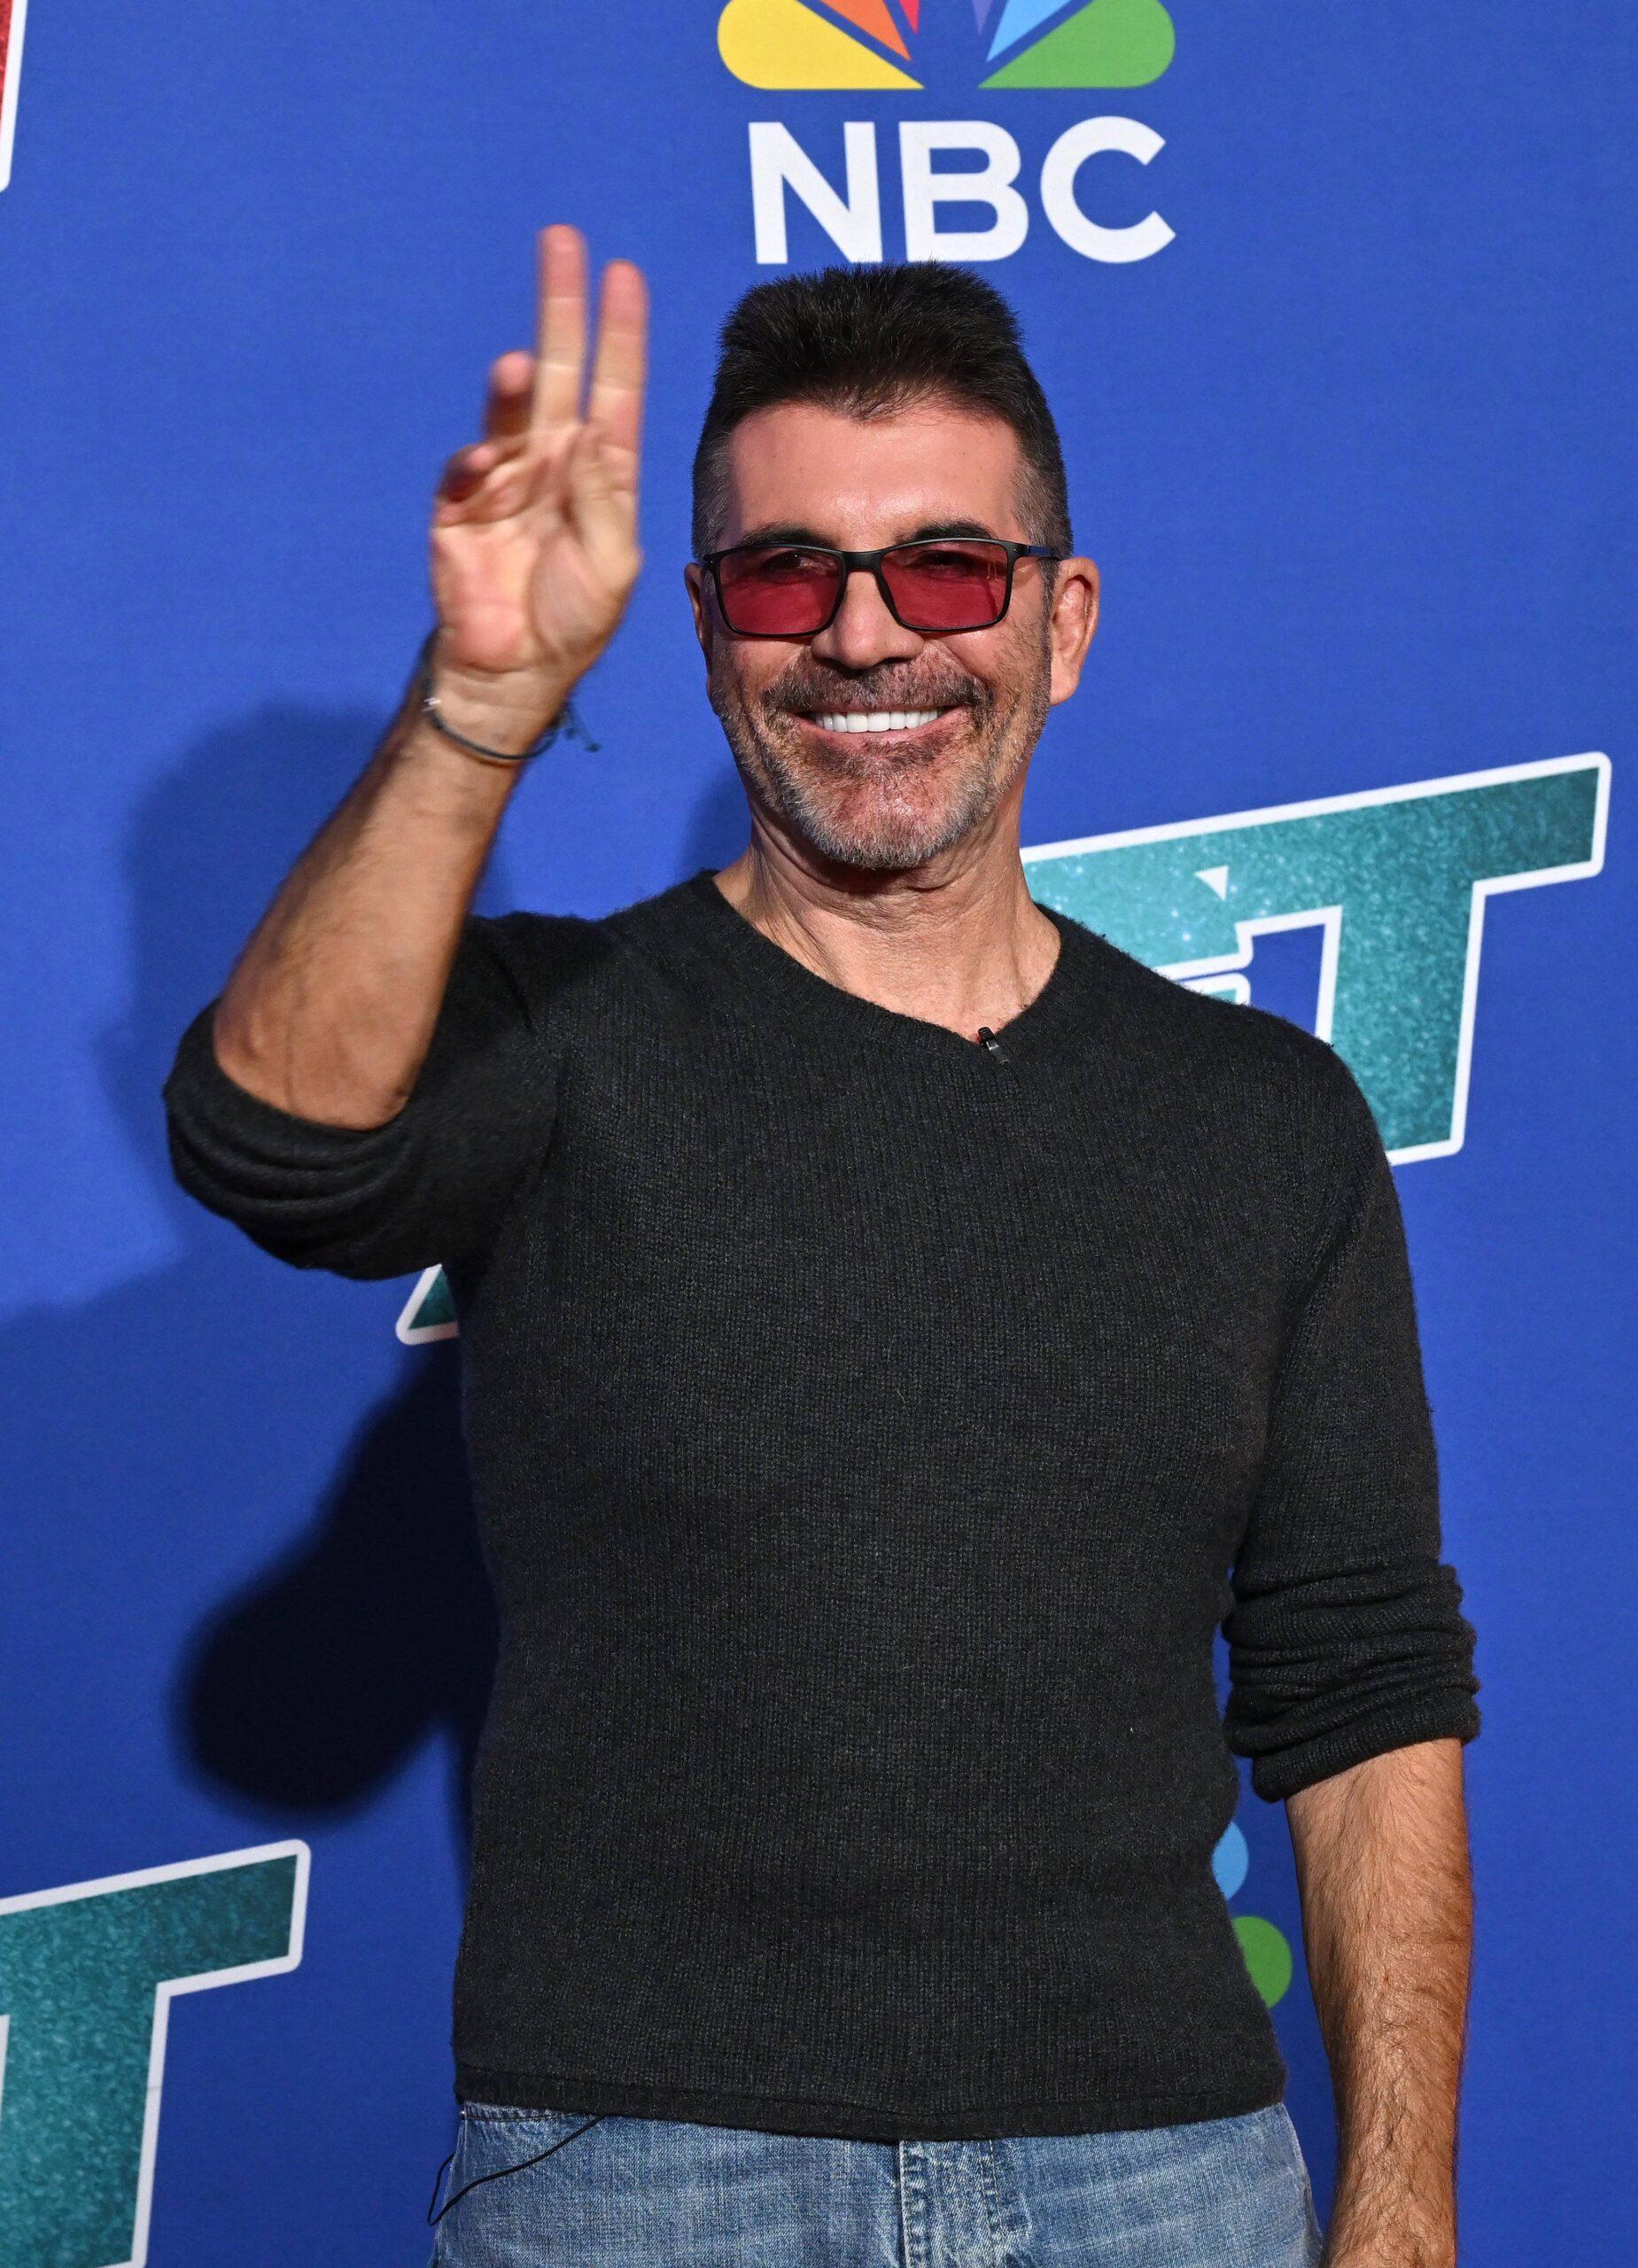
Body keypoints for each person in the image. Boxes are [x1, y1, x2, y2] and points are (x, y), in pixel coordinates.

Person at [161, 224, 1481, 2268]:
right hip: (637, 2174)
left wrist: (1399, 2198)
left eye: (949, 569)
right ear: (704, 626)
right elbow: (272, 1142)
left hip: (1162, 2179)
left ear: (1061, 620)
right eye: (791, 575)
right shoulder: (555, 1035)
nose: (867, 639)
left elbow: (1360, 1684)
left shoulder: (1261, 1119)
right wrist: (482, 703)